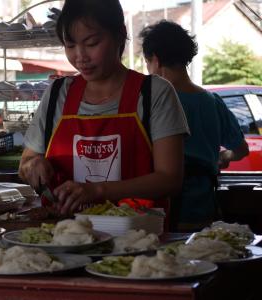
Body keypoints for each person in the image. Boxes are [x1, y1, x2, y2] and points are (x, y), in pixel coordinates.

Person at [19, 0, 190, 217]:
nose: (80, 56)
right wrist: (33, 165)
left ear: (120, 35)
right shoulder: (56, 94)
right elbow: (25, 162)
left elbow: (170, 178)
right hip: (64, 236)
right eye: (70, 46)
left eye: (91, 43)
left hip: (137, 238)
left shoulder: (153, 93)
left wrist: (98, 190)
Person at [139, 20, 249, 231]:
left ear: (156, 60)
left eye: (147, 62)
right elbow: (241, 150)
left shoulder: (152, 102)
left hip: (164, 212)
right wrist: (223, 157)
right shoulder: (212, 101)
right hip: (205, 212)